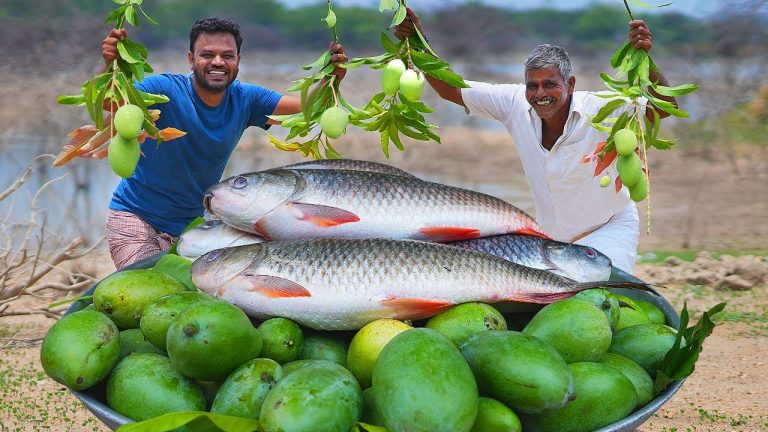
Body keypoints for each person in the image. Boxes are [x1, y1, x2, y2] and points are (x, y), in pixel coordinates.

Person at [393, 9, 678, 274]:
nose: (540, 93)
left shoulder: (602, 109)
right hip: (551, 239)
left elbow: (665, 106)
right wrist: (419, 42)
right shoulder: (513, 103)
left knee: (603, 298)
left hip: (609, 228)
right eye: (533, 85)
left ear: (570, 84)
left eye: (550, 84)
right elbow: (452, 90)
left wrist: (646, 59)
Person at [101, 17, 347, 269]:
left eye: (227, 55)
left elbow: (307, 111)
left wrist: (331, 79)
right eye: (207, 54)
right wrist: (111, 65)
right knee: (144, 289)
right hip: (136, 217)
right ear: (191, 59)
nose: (218, 62)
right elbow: (111, 103)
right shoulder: (163, 90)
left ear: (238, 61)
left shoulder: (247, 100)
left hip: (193, 227)